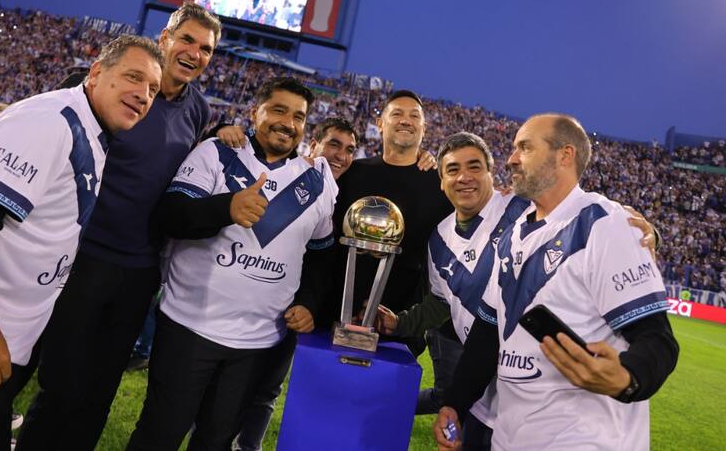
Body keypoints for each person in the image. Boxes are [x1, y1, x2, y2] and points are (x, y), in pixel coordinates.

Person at [0, 35, 163, 451]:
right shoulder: (49, 122)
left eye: (153, 89)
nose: (143, 95)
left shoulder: (91, 130)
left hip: (2, 339)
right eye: (133, 77)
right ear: (96, 72)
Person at [16, 2, 220, 451]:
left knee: (99, 394)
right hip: (81, 254)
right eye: (187, 39)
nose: (195, 52)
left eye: (206, 48)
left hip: (139, 269)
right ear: (164, 38)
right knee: (59, 384)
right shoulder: (111, 87)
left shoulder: (199, 111)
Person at [374, 132, 660, 450]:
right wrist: (399, 323)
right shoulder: (438, 240)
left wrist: (641, 231)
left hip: (550, 396)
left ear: (491, 174)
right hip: (483, 390)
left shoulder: (522, 209)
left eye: (475, 167)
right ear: (441, 181)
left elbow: (587, 214)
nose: (464, 177)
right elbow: (440, 305)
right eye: (453, 170)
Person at [126, 77, 338, 451]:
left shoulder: (317, 180)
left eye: (299, 116)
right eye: (278, 110)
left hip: (258, 343)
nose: (288, 122)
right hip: (189, 328)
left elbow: (320, 256)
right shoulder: (216, 152)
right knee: (160, 433)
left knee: (216, 441)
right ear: (255, 112)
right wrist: (226, 208)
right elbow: (170, 216)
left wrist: (308, 302)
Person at [310, 89, 457, 415]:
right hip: (335, 316)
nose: (406, 120)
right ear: (380, 123)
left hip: (400, 326)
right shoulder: (353, 173)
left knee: (374, 418)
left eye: (414, 116)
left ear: (424, 128)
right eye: (397, 114)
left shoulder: (440, 185)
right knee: (323, 411)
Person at [234, 117, 358, 451]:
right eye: (333, 144)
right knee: (230, 384)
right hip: (252, 294)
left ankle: (249, 446)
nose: (341, 156)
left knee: (268, 388)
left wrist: (309, 304)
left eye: (350, 150)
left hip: (296, 306)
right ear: (313, 144)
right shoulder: (290, 176)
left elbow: (320, 261)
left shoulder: (343, 190)